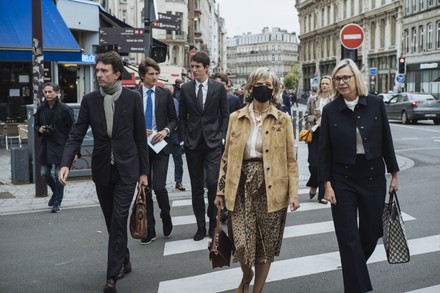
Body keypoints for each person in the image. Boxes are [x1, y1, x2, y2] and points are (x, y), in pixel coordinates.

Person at [58, 51, 149, 293]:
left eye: (103, 71)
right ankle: (124, 259)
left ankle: (112, 277)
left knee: (119, 218)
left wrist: (144, 172)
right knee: (111, 221)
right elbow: (77, 132)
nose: (98, 74)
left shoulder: (132, 99)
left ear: (117, 74)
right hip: (102, 170)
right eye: (97, 70)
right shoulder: (90, 100)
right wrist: (66, 162)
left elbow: (140, 137)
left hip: (127, 169)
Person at [214, 67, 300, 293]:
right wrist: (220, 191)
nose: (264, 88)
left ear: (274, 90)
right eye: (259, 84)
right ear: (251, 88)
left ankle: (257, 290)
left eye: (269, 85)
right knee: (241, 243)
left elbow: (291, 160)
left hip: (272, 185)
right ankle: (246, 274)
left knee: (265, 245)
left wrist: (293, 194)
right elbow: (226, 157)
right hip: (240, 183)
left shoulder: (283, 120)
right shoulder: (236, 117)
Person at [319, 58, 399, 293]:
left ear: (356, 78)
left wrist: (394, 173)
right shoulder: (330, 110)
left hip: (373, 176)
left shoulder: (375, 104)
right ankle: (357, 288)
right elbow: (324, 151)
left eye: (346, 77)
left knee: (372, 231)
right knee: (347, 237)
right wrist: (327, 184)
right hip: (341, 179)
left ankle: (353, 268)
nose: (341, 82)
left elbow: (386, 140)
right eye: (338, 79)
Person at [179, 51, 229, 241]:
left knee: (212, 183)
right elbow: (182, 116)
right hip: (192, 143)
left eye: (198, 67)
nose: (194, 70)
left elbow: (225, 114)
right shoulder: (185, 89)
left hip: (213, 143)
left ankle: (212, 220)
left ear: (206, 68)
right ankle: (201, 226)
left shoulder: (218, 88)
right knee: (196, 187)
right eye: (192, 67)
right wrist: (184, 137)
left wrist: (222, 136)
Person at [137, 58, 178, 245]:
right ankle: (150, 229)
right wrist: (138, 130)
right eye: (151, 74)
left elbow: (173, 119)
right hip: (142, 148)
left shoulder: (164, 94)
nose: (155, 77)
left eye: (156, 74)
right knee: (146, 189)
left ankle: (166, 214)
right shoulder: (133, 95)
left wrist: (165, 131)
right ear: (142, 75)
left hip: (161, 146)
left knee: (159, 186)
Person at [34, 82, 78, 213]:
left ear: (57, 92)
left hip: (62, 146)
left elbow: (74, 131)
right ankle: (55, 193)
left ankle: (57, 202)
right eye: (45, 92)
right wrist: (40, 129)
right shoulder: (41, 108)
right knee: (44, 173)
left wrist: (75, 152)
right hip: (47, 145)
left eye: (50, 92)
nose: (47, 94)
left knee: (58, 174)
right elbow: (35, 124)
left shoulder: (65, 109)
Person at [305, 75, 333, 204]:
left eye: (327, 83)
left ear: (331, 85)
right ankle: (314, 183)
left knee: (324, 163)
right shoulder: (313, 99)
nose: (325, 86)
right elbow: (306, 116)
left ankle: (321, 195)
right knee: (313, 163)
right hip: (315, 133)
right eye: (323, 84)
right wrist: (314, 118)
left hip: (329, 134)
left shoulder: (334, 100)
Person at [163, 83, 186, 192]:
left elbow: (180, 118)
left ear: (172, 91)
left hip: (175, 135)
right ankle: (160, 182)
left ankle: (178, 181)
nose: (168, 92)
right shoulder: (160, 102)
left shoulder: (176, 103)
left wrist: (182, 136)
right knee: (162, 160)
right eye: (166, 90)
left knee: (178, 160)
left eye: (170, 90)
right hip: (162, 136)